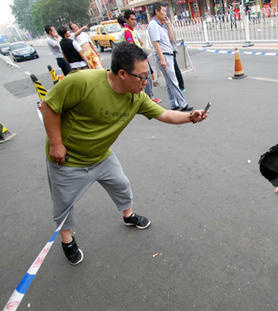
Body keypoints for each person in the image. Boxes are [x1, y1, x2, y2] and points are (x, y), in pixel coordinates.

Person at [40, 42, 209, 265]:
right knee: (64, 204)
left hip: (101, 156)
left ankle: (128, 216)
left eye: (147, 75)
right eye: (141, 77)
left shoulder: (136, 97)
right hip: (69, 160)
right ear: (121, 73)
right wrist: (55, 143)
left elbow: (165, 115)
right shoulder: (83, 81)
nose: (146, 82)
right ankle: (67, 239)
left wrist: (190, 117)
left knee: (121, 184)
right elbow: (49, 106)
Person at [147, 3, 191, 111]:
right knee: (173, 81)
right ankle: (183, 104)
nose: (165, 13)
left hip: (169, 55)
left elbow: (171, 39)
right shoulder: (153, 25)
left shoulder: (161, 25)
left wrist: (168, 24)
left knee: (169, 82)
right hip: (164, 56)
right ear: (157, 11)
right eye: (163, 11)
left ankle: (173, 104)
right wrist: (162, 59)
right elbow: (156, 43)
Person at [122, 9, 160, 103]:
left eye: (135, 19)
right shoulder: (127, 31)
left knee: (147, 79)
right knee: (146, 80)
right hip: (138, 60)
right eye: (132, 19)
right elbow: (131, 47)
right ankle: (149, 99)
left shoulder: (132, 30)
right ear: (126, 20)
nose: (134, 22)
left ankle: (148, 98)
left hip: (141, 58)